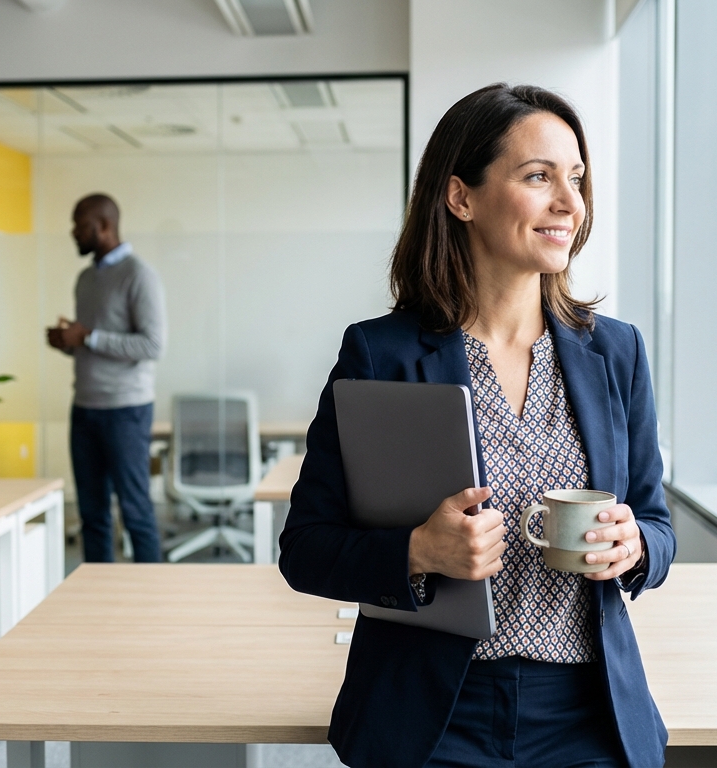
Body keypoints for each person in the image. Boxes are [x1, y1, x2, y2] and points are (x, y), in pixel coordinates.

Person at [278, 84, 675, 768]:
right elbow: (306, 548)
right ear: (460, 197)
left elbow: (660, 526)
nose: (569, 203)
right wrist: (416, 553)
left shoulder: (617, 352)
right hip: (434, 717)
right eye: (538, 176)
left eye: (576, 179)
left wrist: (634, 546)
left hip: (586, 716)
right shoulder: (382, 354)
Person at [48, 193, 167, 563]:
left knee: (135, 510)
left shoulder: (138, 275)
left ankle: (154, 597)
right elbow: (93, 341)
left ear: (103, 226)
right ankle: (99, 599)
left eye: (79, 225)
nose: (73, 233)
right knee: (92, 515)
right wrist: (68, 342)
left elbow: (152, 345)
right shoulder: (86, 278)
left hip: (125, 410)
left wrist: (87, 336)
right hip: (84, 408)